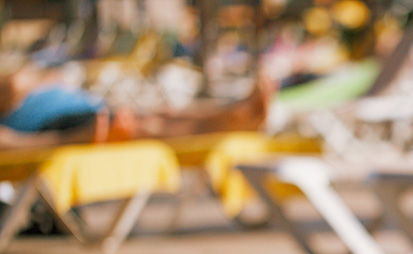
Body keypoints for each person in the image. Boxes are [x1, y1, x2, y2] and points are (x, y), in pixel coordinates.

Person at [0, 62, 273, 151]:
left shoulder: (21, 85)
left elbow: (50, 76)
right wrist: (68, 139)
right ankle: (236, 120)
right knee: (148, 126)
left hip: (87, 109)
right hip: (64, 127)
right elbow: (10, 144)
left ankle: (235, 113)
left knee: (166, 112)